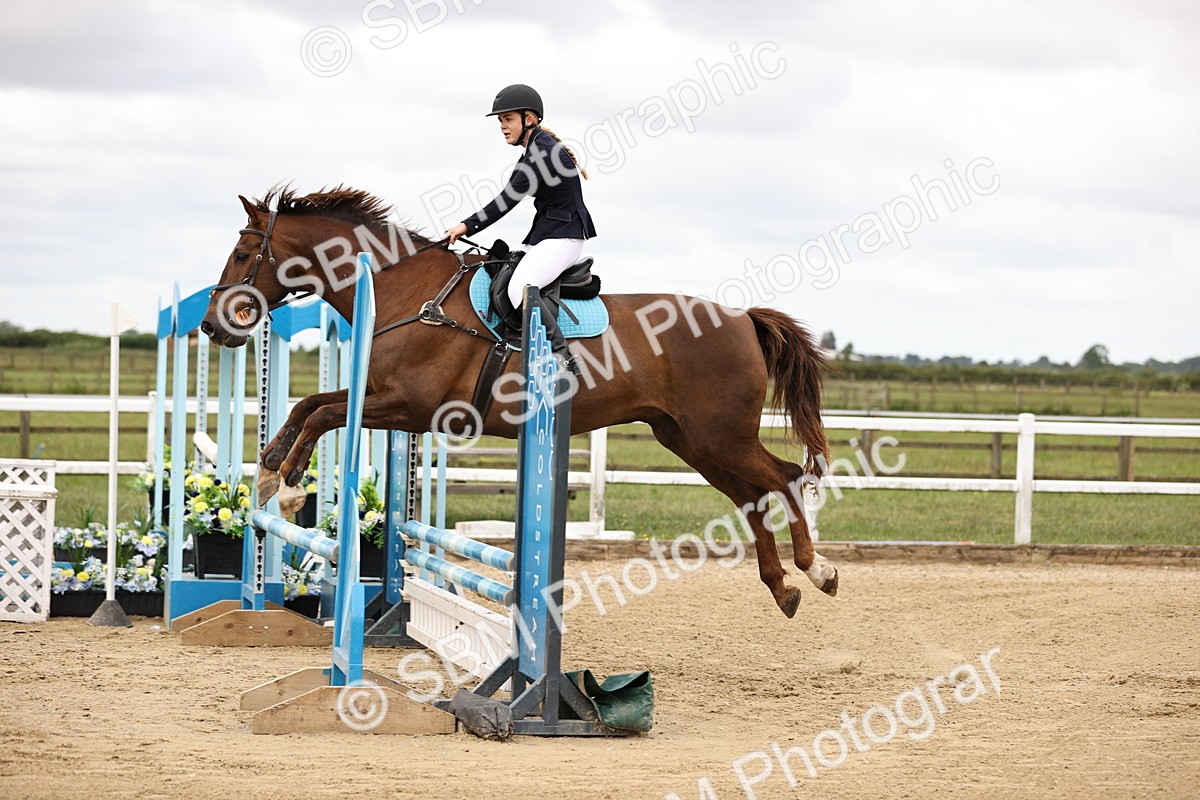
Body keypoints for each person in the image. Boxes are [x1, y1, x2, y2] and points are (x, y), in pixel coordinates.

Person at [446, 84, 595, 374]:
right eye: (501, 121)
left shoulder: (541, 152)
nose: (503, 127)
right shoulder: (534, 149)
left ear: (529, 119)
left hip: (564, 237)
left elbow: (505, 200)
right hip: (547, 235)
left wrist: (466, 226)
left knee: (519, 291)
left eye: (508, 119)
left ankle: (565, 359)